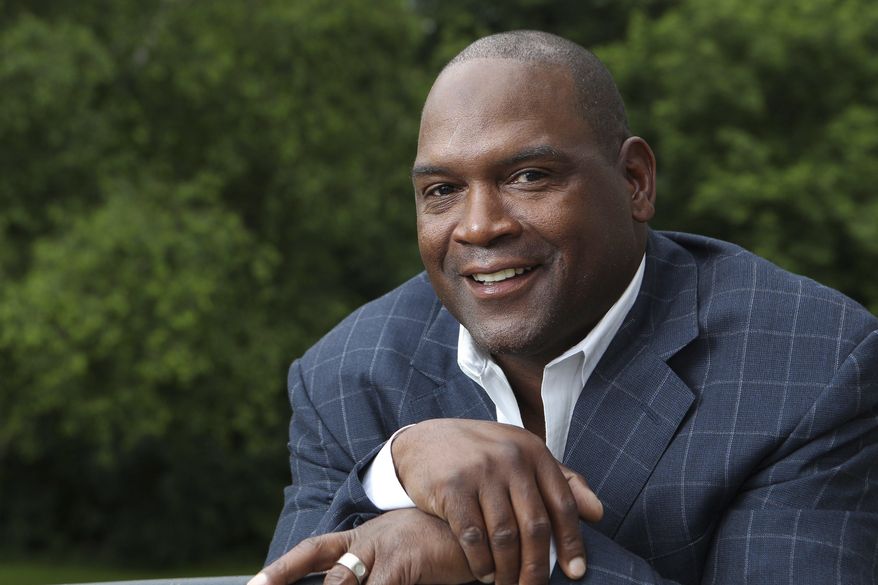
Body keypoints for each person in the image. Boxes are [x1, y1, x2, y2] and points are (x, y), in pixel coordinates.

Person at [250, 30, 878, 585]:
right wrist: (397, 464)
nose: (478, 227)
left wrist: (493, 548)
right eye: (442, 191)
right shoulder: (345, 375)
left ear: (635, 181)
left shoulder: (813, 365)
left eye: (529, 176)